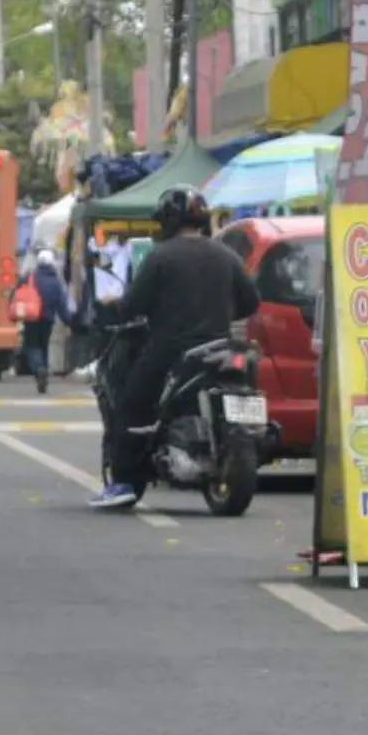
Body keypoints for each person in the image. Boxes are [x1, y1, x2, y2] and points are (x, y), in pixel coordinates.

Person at [89, 186, 260, 510]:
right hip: (221, 347)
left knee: (130, 405)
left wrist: (114, 307)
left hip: (170, 350)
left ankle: (124, 481)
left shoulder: (160, 257)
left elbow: (133, 305)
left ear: (168, 220)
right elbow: (251, 302)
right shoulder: (227, 254)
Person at [22, 249, 72, 394]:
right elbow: (62, 305)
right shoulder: (56, 282)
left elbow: (19, 294)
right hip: (48, 319)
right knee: (43, 346)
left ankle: (39, 369)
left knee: (31, 346)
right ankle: (43, 375)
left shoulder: (30, 278)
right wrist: (69, 321)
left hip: (31, 318)